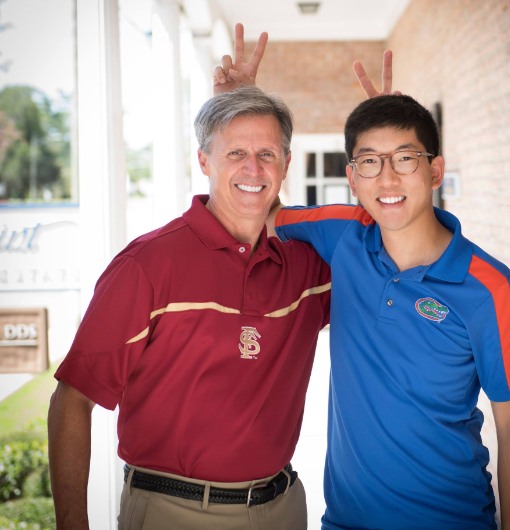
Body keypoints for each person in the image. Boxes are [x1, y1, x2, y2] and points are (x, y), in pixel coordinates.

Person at [217, 26, 510, 529]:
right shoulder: (343, 234)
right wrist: (237, 108)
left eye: (405, 159)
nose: (387, 179)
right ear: (352, 176)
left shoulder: (488, 286)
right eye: (370, 162)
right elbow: (259, 203)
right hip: (346, 521)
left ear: (434, 171)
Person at [47, 39, 331, 529]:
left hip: (283, 507)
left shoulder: (308, 266)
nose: (253, 168)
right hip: (172, 511)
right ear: (204, 161)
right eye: (235, 152)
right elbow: (72, 400)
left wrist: (387, 162)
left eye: (267, 153)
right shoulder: (147, 265)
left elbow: (383, 240)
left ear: (286, 164)